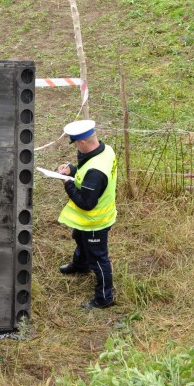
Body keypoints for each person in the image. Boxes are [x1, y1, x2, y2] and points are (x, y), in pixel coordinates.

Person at [55, 119, 117, 309]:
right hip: (93, 219)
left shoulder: (95, 172)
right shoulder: (106, 150)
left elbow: (86, 203)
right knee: (78, 236)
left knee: (99, 259)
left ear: (82, 143)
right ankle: (81, 265)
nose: (76, 148)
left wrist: (68, 182)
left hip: (95, 221)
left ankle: (104, 298)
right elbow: (86, 170)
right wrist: (73, 170)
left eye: (75, 144)